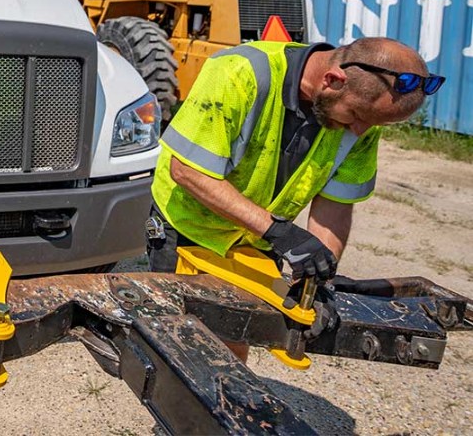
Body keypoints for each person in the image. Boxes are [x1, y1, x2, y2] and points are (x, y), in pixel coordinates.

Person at [147, 37, 444, 352]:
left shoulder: (364, 119)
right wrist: (279, 231)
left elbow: (336, 206)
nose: (359, 131)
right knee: (179, 346)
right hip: (188, 225)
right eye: (356, 116)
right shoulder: (240, 72)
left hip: (259, 238)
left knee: (233, 341)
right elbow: (188, 171)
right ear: (332, 81)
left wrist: (318, 281)